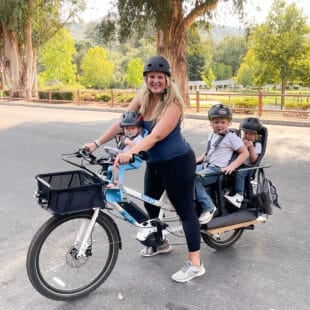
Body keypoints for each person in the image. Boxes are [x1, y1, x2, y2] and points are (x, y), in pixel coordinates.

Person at [84, 55, 205, 283]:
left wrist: (132, 150)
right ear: (146, 79)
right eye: (151, 77)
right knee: (151, 205)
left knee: (185, 210)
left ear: (167, 79)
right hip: (156, 162)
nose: (155, 81)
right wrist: (96, 143)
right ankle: (162, 243)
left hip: (178, 162)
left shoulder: (173, 104)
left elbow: (158, 134)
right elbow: (123, 123)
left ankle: (195, 263)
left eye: (160, 77)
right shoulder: (143, 97)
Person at [195, 104, 249, 224]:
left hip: (217, 170)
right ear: (211, 122)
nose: (219, 125)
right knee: (183, 173)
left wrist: (232, 166)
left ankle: (209, 207)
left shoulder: (231, 138)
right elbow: (210, 151)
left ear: (229, 123)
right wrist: (195, 160)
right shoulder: (212, 135)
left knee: (195, 179)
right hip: (206, 165)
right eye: (216, 122)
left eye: (223, 122)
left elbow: (244, 153)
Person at [224, 117, 263, 208]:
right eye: (246, 133)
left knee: (239, 173)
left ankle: (239, 196)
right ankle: (228, 190)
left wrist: (250, 147)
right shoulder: (240, 141)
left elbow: (254, 160)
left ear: (257, 136)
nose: (248, 136)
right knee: (227, 170)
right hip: (238, 163)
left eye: (251, 134)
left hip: (248, 167)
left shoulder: (257, 145)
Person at [106, 111, 144, 187]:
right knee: (109, 167)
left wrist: (129, 143)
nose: (129, 130)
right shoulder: (126, 137)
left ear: (139, 129)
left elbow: (138, 149)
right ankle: (108, 181)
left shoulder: (138, 138)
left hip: (134, 160)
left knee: (118, 168)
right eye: (127, 128)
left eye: (132, 128)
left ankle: (117, 185)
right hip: (122, 158)